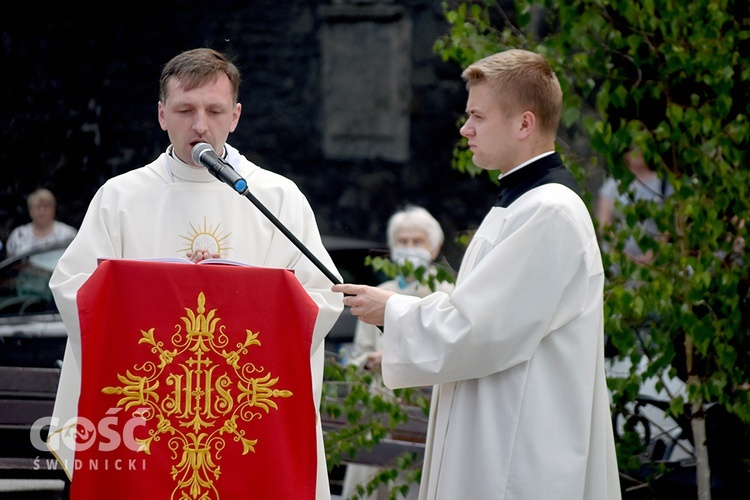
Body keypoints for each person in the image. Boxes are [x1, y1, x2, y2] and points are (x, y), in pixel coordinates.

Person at [47, 48, 343, 499]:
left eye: (214, 111)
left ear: (236, 116)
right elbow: (74, 289)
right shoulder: (121, 197)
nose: (200, 124)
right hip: (144, 415)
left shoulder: (276, 197)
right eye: (185, 110)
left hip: (244, 419)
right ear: (162, 115)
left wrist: (242, 299)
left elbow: (322, 294)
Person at [333, 49, 621, 499]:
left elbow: (479, 330)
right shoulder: (521, 203)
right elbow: (477, 312)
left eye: (477, 116)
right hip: (495, 429)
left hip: (519, 450)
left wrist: (393, 311)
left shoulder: (549, 213)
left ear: (524, 124)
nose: (465, 129)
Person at [341, 205, 454, 500]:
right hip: (380, 411)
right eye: (403, 242)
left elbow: (452, 351)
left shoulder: (447, 292)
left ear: (434, 247)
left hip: (423, 413)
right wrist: (370, 361)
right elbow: (357, 356)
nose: (409, 248)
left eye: (417, 242)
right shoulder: (378, 292)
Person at [596, 147, 674, 264]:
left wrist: (653, 254)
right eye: (631, 149)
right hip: (621, 262)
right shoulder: (614, 184)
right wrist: (623, 254)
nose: (637, 152)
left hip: (657, 261)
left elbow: (670, 223)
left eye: (640, 147)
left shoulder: (663, 182)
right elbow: (604, 224)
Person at [5, 188, 77, 257]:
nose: (42, 211)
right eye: (37, 207)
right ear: (30, 210)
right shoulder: (18, 235)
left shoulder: (68, 234)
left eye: (46, 206)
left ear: (53, 209)